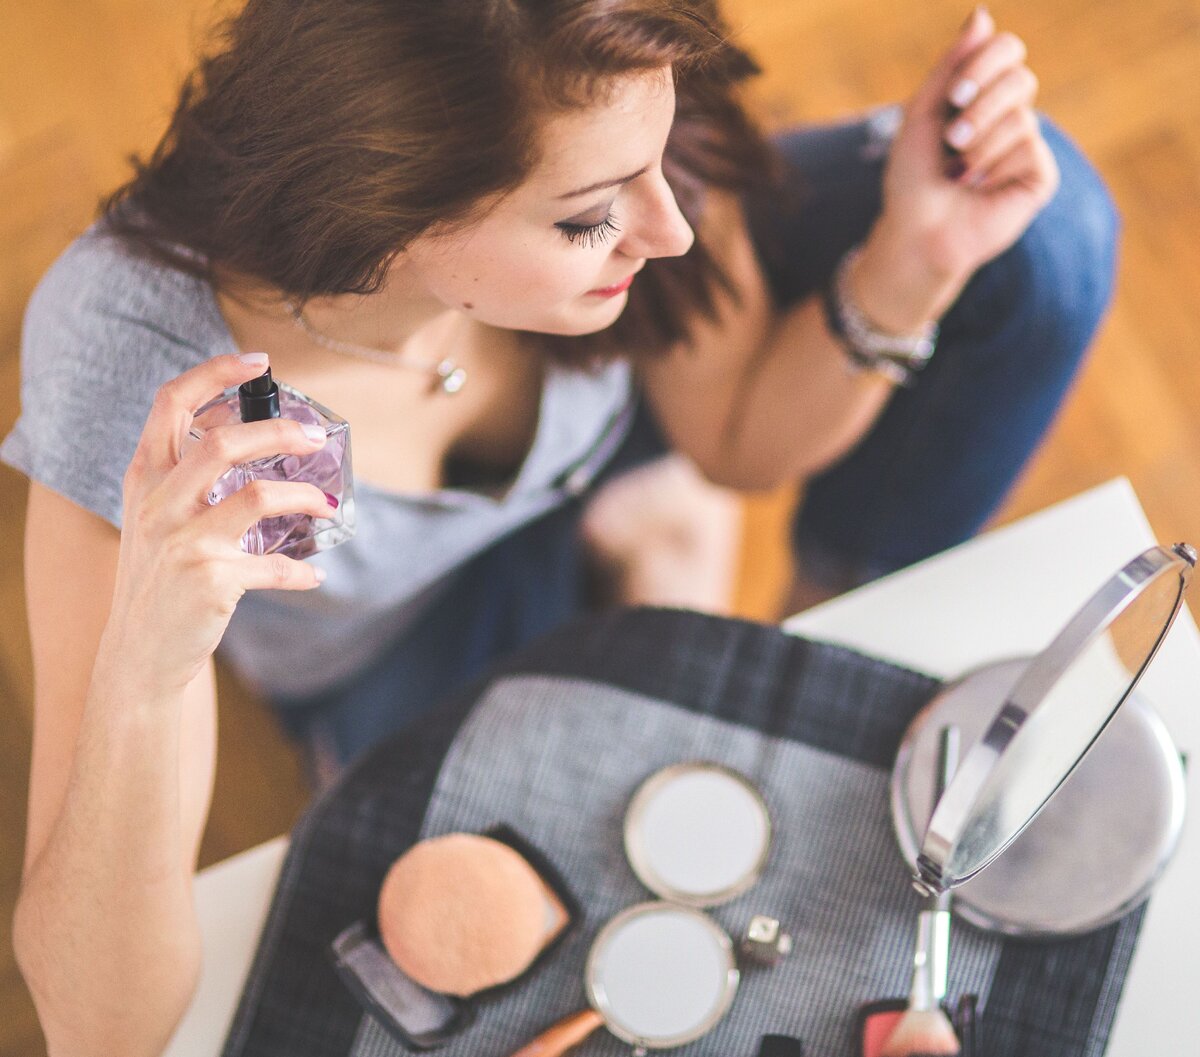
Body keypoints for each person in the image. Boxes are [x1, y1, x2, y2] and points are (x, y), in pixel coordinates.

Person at [5, 1, 1117, 1053]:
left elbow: (736, 442)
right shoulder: (158, 380)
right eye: (591, 216)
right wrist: (145, 671)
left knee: (1044, 233)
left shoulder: (603, 88)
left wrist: (912, 269)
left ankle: (805, 604)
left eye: (657, 165)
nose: (673, 232)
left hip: (618, 455)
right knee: (498, 911)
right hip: (406, 636)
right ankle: (660, 554)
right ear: (389, 212)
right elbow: (102, 1026)